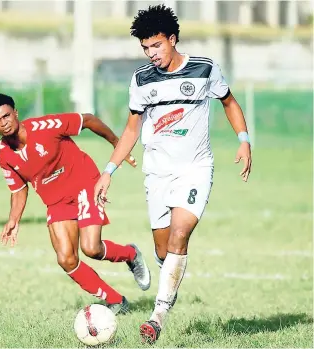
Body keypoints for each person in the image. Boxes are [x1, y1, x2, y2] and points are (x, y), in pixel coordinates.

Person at [94, 4, 252, 343]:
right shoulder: (141, 80)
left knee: (181, 235)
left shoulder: (204, 68)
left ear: (172, 39)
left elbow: (229, 102)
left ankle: (157, 316)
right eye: (145, 48)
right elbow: (131, 130)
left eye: (156, 46)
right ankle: (170, 274)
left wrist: (243, 140)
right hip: (157, 174)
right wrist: (109, 170)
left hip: (195, 168)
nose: (151, 54)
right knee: (165, 251)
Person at [0, 93, 151, 315]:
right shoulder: (2, 153)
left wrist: (117, 143)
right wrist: (14, 219)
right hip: (55, 200)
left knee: (91, 248)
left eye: (6, 116)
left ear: (15, 113)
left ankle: (130, 254)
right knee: (66, 259)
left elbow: (88, 120)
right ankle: (116, 300)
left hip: (84, 183)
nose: (4, 123)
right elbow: (19, 189)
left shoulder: (45, 126)